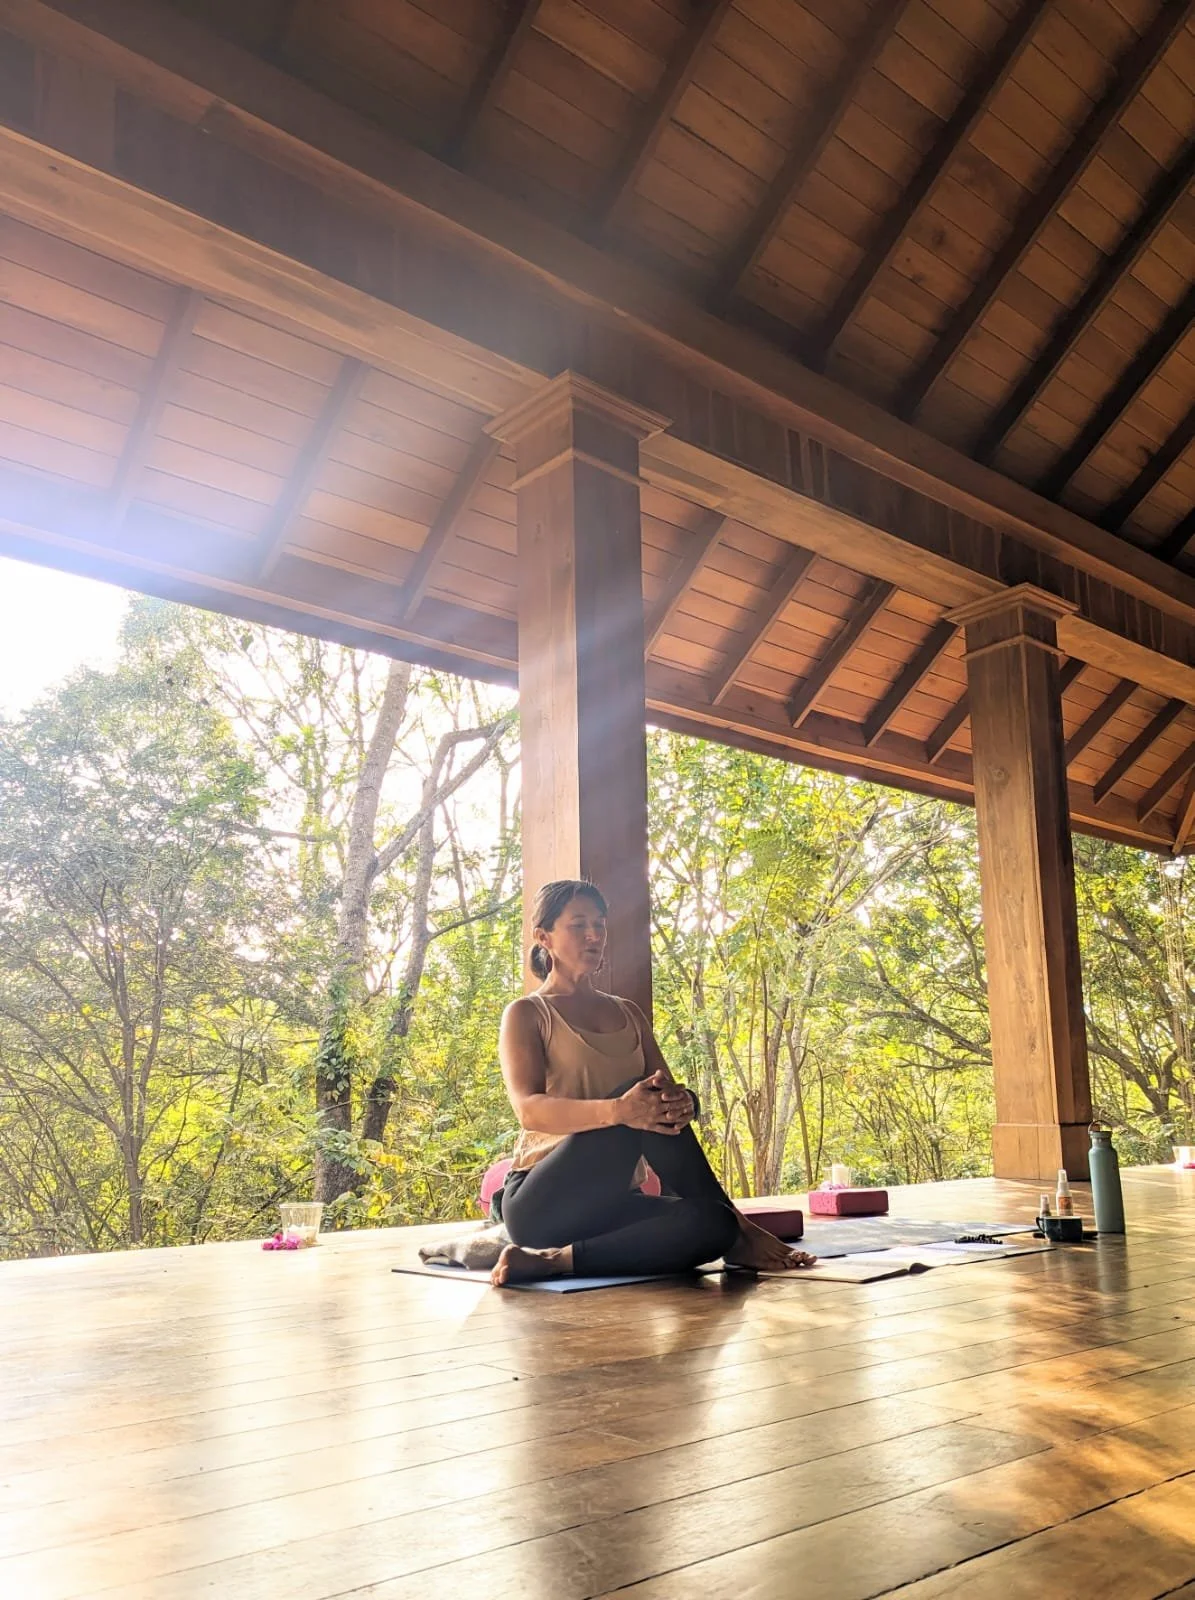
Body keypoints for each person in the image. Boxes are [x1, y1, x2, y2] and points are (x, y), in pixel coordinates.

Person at [490, 879, 816, 1287]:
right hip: (542, 1202)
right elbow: (528, 1110)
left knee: (713, 1224)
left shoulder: (627, 1013)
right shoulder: (527, 1013)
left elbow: (667, 1097)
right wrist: (618, 1110)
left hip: (611, 1203)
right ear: (544, 937)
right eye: (578, 925)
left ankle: (553, 1262)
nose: (594, 935)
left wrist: (687, 1103)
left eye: (600, 924)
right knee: (638, 1102)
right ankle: (744, 1229)